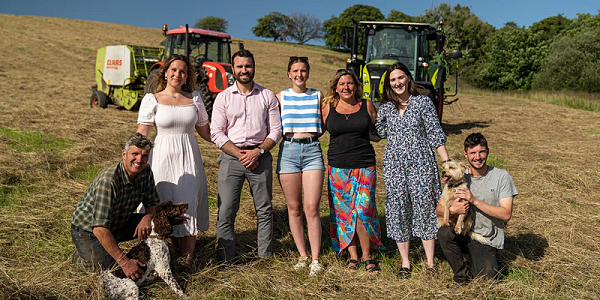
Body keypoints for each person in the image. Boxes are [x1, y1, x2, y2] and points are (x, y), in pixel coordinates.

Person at [374, 62, 450, 278]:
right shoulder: (386, 108)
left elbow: (435, 134)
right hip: (395, 167)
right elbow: (377, 134)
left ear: (408, 78)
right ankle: (405, 263)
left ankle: (430, 263)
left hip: (422, 164)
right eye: (393, 80)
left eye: (400, 77)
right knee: (399, 209)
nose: (397, 82)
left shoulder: (423, 103)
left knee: (425, 208)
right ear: (388, 84)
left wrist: (446, 162)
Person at [137, 54, 211, 265]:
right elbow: (143, 134)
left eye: (183, 71)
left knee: (187, 202)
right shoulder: (152, 99)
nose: (178, 74)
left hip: (189, 157)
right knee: (161, 203)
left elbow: (206, 133)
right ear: (165, 72)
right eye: (174, 70)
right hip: (161, 158)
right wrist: (133, 161)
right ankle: (159, 258)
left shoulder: (195, 98)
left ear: (188, 76)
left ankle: (187, 259)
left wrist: (233, 142)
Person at [210, 49, 282, 264]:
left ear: (254, 67)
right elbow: (216, 132)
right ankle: (226, 259)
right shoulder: (223, 97)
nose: (244, 70)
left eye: (248, 66)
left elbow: (276, 131)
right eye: (240, 66)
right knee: (226, 210)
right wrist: (239, 154)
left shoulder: (266, 95)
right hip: (232, 158)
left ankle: (264, 256)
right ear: (233, 69)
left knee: (264, 209)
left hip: (260, 156)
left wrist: (258, 151)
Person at [70, 133, 159, 280]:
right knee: (110, 274)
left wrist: (147, 217)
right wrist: (125, 262)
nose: (139, 160)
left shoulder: (146, 171)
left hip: (118, 222)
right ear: (124, 154)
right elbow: (99, 227)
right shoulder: (109, 180)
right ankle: (81, 257)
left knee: (157, 222)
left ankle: (149, 257)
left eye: (144, 156)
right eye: (135, 154)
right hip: (89, 231)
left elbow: (152, 203)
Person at [321, 69, 384, 273]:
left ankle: (368, 255)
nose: (346, 87)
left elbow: (377, 132)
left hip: (365, 165)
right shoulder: (327, 107)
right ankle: (353, 256)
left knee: (363, 210)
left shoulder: (366, 105)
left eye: (350, 83)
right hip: (338, 167)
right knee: (344, 213)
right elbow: (318, 129)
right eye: (342, 84)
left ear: (356, 86)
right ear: (335, 88)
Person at [436, 132, 517, 285]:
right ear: (465, 155)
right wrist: (453, 210)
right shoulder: (457, 174)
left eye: (481, 152)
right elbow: (439, 209)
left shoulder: (501, 176)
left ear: (488, 152)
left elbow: (506, 214)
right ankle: (461, 275)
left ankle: (481, 258)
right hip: (461, 230)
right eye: (473, 153)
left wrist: (473, 200)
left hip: (485, 237)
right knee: (444, 232)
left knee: (485, 281)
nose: (478, 157)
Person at [275, 56, 324, 276]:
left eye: (303, 70)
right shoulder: (280, 97)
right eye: (295, 71)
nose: (299, 75)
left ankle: (315, 259)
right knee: (294, 209)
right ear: (288, 73)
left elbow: (324, 124)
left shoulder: (318, 96)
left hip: (313, 150)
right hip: (288, 151)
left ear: (308, 73)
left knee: (311, 208)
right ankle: (302, 256)